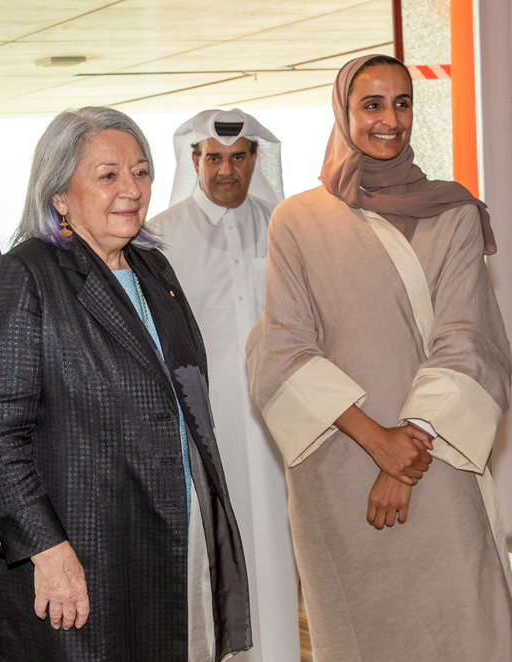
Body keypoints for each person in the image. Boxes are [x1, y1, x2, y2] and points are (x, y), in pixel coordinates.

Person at [246, 54, 512, 661]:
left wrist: (406, 452)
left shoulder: (453, 211)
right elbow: (283, 350)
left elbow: (468, 339)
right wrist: (380, 444)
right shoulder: (298, 220)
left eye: (401, 103)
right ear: (343, 113)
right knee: (362, 631)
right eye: (371, 104)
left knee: (464, 622)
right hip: (341, 463)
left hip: (437, 457)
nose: (389, 119)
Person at [0, 106, 250, 662]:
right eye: (108, 174)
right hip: (83, 545)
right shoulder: (25, 275)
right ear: (60, 197)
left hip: (169, 529)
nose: (132, 189)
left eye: (141, 172)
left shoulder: (153, 269)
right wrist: (46, 548)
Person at [153, 109, 299, 662]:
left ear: (255, 160)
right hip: (203, 425)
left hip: (276, 421)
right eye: (214, 158)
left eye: (238, 158)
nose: (226, 170)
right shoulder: (160, 235)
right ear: (194, 161)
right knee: (211, 548)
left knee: (278, 548)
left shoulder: (284, 224)